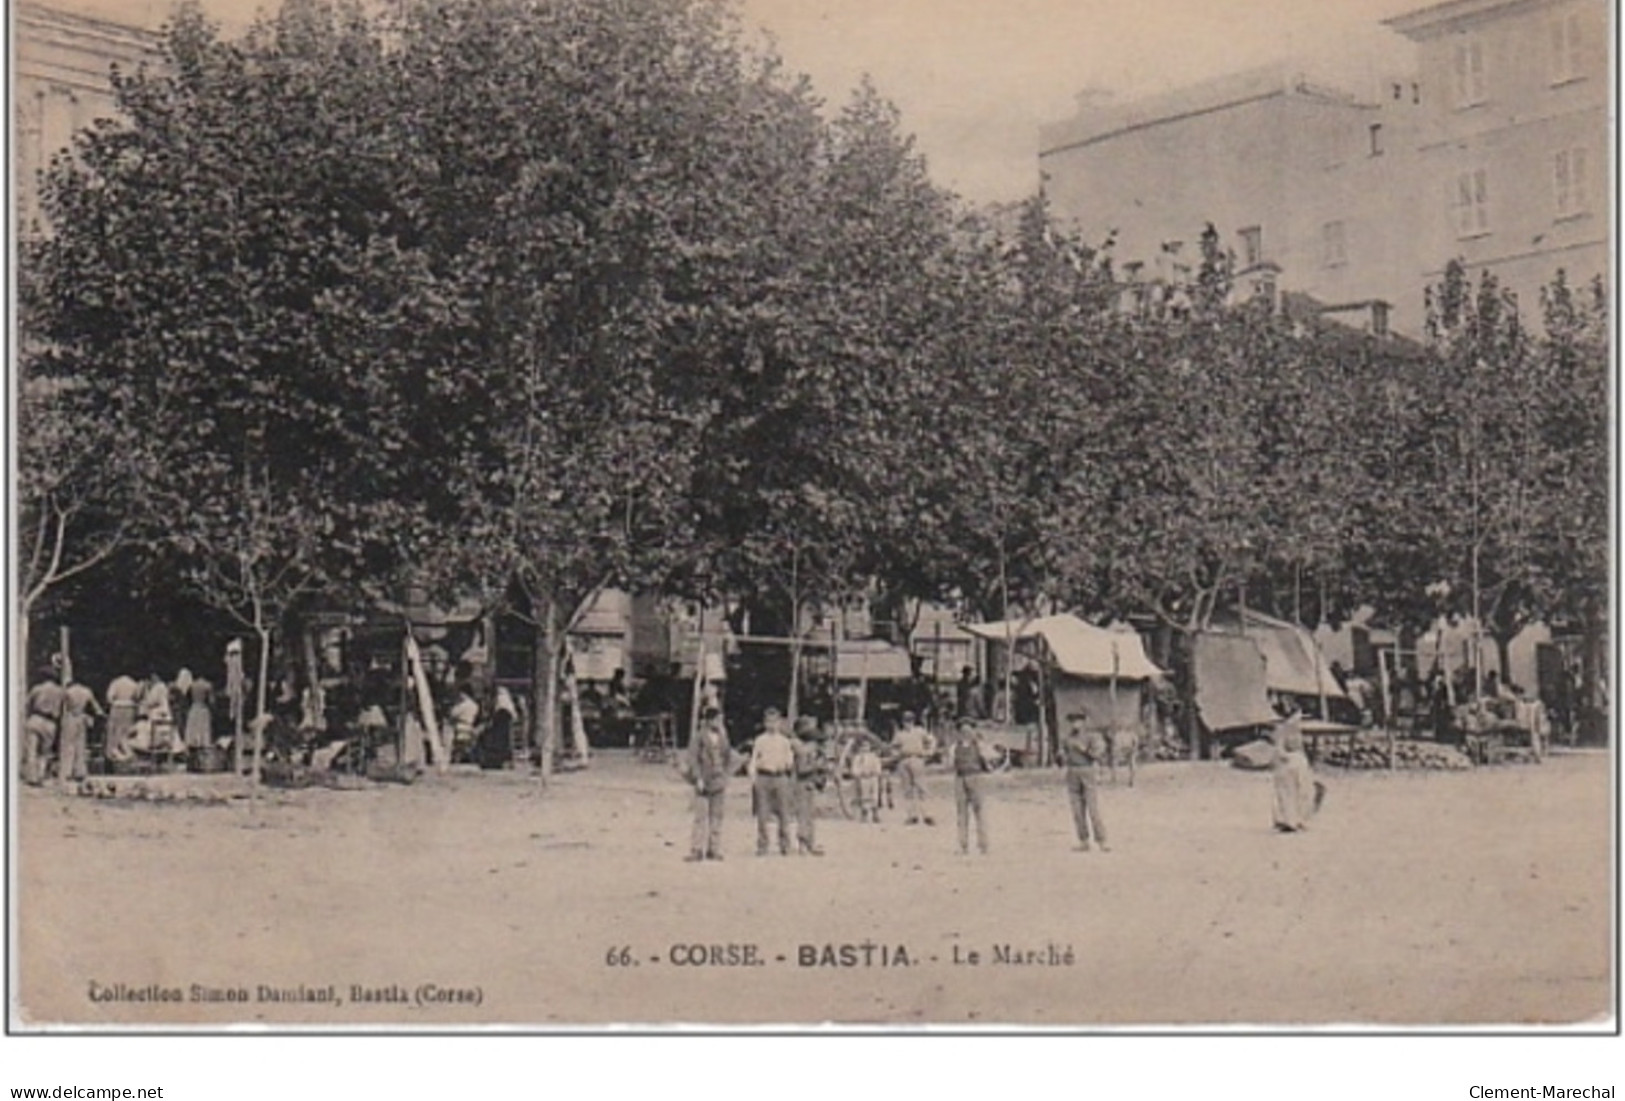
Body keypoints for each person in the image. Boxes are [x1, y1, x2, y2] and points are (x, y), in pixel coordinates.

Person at [683, 706, 735, 862]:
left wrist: (726, 775)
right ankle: (697, 849)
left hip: (718, 779)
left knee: (717, 816)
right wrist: (698, 778)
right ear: (708, 721)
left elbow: (728, 757)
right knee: (700, 817)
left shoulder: (723, 738)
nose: (719, 723)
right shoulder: (699, 737)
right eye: (717, 719)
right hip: (703, 780)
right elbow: (693, 759)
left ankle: (714, 848)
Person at [748, 708, 797, 856]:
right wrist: (753, 778)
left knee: (784, 813)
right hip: (764, 776)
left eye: (775, 721)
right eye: (769, 721)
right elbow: (754, 760)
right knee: (762, 813)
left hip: (780, 777)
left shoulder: (784, 741)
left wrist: (787, 766)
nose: (772, 724)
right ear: (764, 723)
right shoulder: (760, 740)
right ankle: (763, 845)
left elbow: (790, 759)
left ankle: (785, 844)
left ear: (780, 723)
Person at [1061, 710, 1109, 852]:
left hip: (1087, 770)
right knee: (1077, 810)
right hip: (1072, 772)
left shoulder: (1093, 736)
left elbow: (1098, 754)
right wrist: (1062, 756)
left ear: (1084, 722)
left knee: (1092, 808)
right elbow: (1063, 754)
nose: (1075, 724)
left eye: (1078, 721)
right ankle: (1083, 840)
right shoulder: (1068, 738)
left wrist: (1084, 750)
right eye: (1072, 721)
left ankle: (1102, 840)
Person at [1270, 709, 1324, 832]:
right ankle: (1287, 820)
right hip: (1287, 766)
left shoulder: (1296, 732)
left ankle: (1298, 819)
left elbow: (1300, 750)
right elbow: (1279, 750)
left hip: (1298, 764)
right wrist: (1288, 757)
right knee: (1287, 793)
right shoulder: (1281, 731)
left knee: (1302, 792)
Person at [950, 718, 992, 855]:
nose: (966, 733)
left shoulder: (979, 746)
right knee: (962, 813)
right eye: (963, 731)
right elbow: (950, 763)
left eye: (969, 730)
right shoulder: (954, 747)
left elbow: (989, 758)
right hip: (960, 779)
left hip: (976, 777)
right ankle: (963, 845)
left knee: (979, 811)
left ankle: (983, 844)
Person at [790, 717, 826, 856]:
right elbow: (802, 769)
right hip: (802, 783)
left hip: (809, 783)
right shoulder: (802, 752)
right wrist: (816, 766)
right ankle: (803, 843)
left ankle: (810, 841)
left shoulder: (807, 751)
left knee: (810, 815)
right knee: (804, 815)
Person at [892, 710, 936, 826]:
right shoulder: (899, 734)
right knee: (907, 789)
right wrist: (896, 754)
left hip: (917, 758)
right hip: (904, 760)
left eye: (910, 720)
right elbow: (894, 747)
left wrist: (929, 752)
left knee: (922, 787)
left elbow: (931, 741)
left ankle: (927, 814)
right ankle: (912, 815)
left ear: (914, 721)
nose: (908, 723)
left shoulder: (920, 731)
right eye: (906, 721)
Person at [24, 669, 65, 785]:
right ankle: (41, 775)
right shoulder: (60, 691)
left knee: (31, 750)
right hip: (50, 722)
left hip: (36, 718)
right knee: (45, 752)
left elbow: (28, 704)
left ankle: (31, 777)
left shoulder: (36, 689)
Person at [58, 678, 103, 783]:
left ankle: (67, 771)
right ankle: (80, 771)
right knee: (80, 744)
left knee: (68, 745)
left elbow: (61, 706)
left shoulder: (67, 692)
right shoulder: (87, 691)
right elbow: (97, 708)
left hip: (70, 717)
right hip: (81, 717)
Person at [105, 671, 142, 763]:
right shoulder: (133, 683)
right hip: (130, 707)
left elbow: (109, 697)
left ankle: (115, 753)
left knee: (115, 731)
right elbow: (137, 697)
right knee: (126, 731)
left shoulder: (116, 682)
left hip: (117, 707)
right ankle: (126, 752)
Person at [850, 735, 883, 823]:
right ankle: (864, 813)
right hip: (863, 778)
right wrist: (860, 773)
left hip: (872, 777)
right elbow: (854, 769)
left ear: (869, 747)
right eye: (863, 746)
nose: (865, 748)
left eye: (867, 746)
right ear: (860, 748)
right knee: (864, 795)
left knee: (874, 795)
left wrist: (875, 772)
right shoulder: (858, 758)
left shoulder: (873, 757)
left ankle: (875, 814)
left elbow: (878, 767)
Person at [184, 675, 215, 750]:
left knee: (193, 728)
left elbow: (187, 699)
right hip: (203, 708)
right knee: (203, 728)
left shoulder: (192, 685)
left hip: (194, 708)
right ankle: (203, 744)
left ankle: (193, 743)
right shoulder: (207, 685)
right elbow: (212, 701)